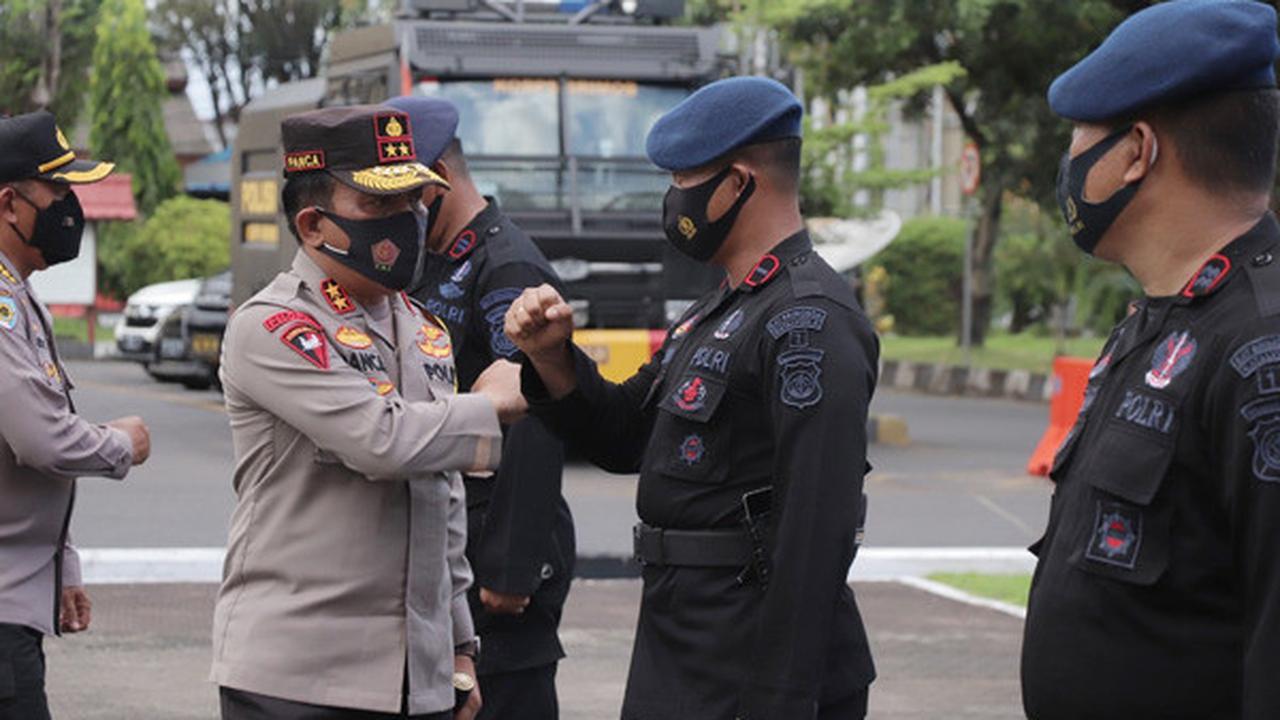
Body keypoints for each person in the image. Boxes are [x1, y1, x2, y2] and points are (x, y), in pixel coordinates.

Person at [504, 76, 878, 720]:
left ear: (736, 184)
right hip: (686, 641)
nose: (671, 197)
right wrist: (551, 357)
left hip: (751, 658)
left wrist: (781, 698)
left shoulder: (808, 319)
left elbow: (816, 531)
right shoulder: (723, 307)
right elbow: (625, 435)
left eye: (683, 179)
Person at [210, 104, 526, 720]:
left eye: (414, 201)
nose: (409, 220)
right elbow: (383, 443)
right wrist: (487, 406)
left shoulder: (422, 328)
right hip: (298, 679)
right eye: (381, 206)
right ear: (313, 224)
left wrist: (460, 645)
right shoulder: (273, 327)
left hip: (416, 678)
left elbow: (443, 496)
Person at [1021, 2, 1280, 718]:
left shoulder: (1261, 346)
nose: (1069, 162)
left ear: (1137, 151)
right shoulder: (1163, 319)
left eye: (1079, 136)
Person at [387, 95, 575, 720]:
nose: (395, 213)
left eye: (404, 194)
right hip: (456, 535)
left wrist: (511, 565)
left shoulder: (505, 263)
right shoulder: (436, 258)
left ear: (438, 177)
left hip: (498, 556)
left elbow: (537, 403)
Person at [0, 110, 151, 720]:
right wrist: (121, 443)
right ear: (10, 204)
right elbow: (41, 440)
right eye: (58, 192)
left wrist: (62, 565)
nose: (70, 209)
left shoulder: (19, 292)